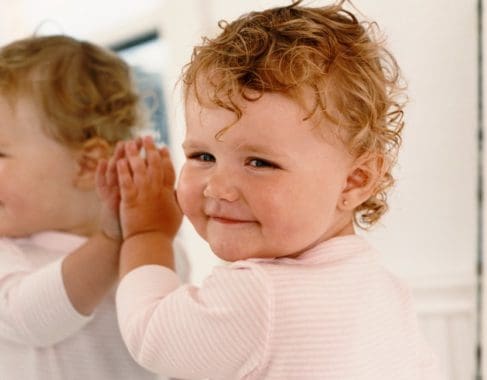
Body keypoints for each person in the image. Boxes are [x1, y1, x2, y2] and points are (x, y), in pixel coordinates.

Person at [101, 1, 443, 379]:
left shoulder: (260, 294)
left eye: (260, 163)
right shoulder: (383, 289)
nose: (218, 187)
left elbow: (149, 334)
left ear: (354, 180)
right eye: (202, 155)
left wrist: (146, 232)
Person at [0, 35, 187, 379]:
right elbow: (29, 319)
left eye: (0, 153)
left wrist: (144, 235)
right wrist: (112, 241)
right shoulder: (7, 252)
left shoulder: (151, 246)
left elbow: (172, 336)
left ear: (87, 165)